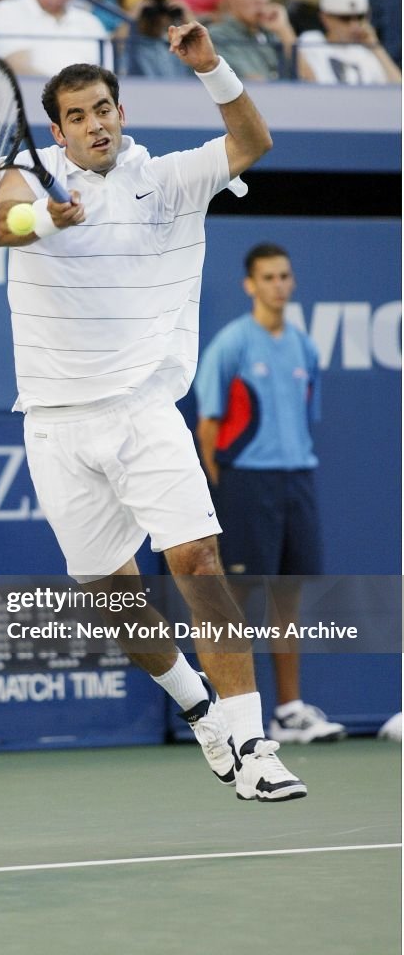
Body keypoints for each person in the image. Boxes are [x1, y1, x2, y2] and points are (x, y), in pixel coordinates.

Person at [0, 27, 308, 801]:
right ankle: (198, 707)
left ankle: (254, 745)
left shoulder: (166, 180)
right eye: (77, 115)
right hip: (56, 422)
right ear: (57, 131)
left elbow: (254, 139)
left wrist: (212, 68)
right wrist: (46, 220)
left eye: (104, 108)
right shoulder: (24, 176)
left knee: (197, 560)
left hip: (142, 409)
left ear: (120, 112)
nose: (96, 123)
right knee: (114, 595)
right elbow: (3, 223)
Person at [193, 243, 347, 743]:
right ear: (250, 285)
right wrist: (227, 487)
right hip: (245, 483)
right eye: (268, 277)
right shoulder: (231, 345)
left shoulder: (304, 347)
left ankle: (290, 710)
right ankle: (232, 715)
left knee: (288, 596)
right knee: (232, 597)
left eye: (284, 276)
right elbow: (209, 427)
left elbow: (305, 417)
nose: (278, 285)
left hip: (295, 479)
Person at [297, 0, 401, 83]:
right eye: (345, 18)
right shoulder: (312, 41)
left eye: (360, 17)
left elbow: (398, 90)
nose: (354, 26)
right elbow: (309, 83)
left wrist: (376, 47)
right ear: (325, 17)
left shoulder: (368, 53)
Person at [209, 0, 297, 80]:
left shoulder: (272, 33)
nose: (260, 0)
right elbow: (253, 85)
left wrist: (284, 29)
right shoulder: (217, 37)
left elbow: (309, 82)